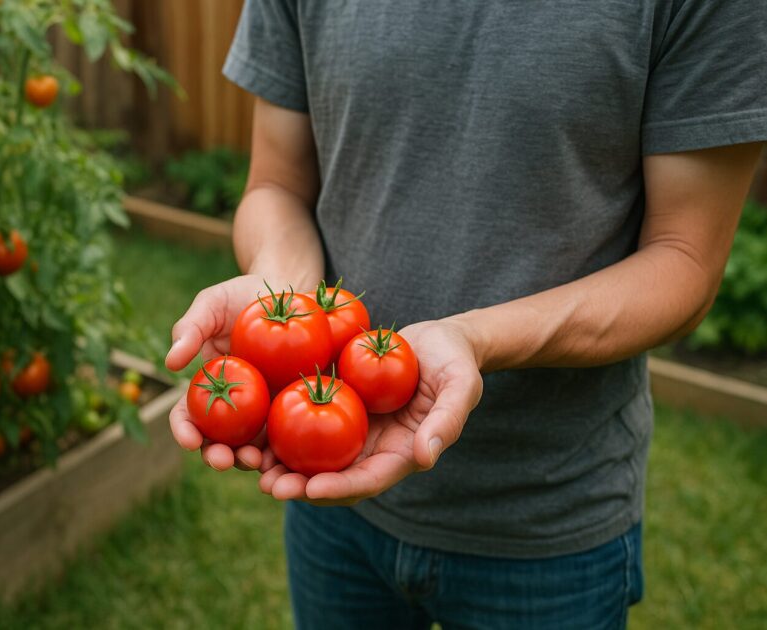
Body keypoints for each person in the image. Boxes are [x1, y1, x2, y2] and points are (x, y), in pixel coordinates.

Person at [166, 1, 767, 628]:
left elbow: (685, 260)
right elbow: (278, 187)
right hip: (329, 497)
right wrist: (282, 300)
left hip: (546, 519)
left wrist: (473, 339)